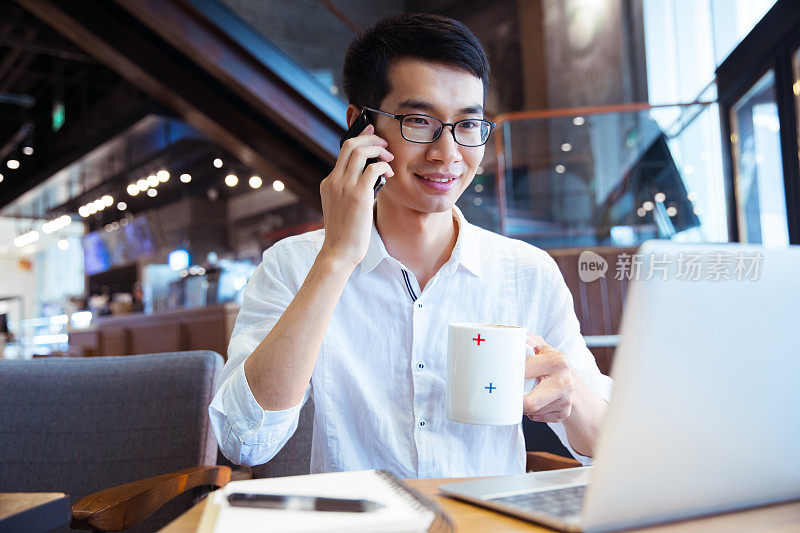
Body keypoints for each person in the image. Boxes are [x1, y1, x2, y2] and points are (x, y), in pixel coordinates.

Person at [209, 13, 612, 477]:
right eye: (419, 121)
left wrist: (571, 395)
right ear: (361, 125)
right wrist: (337, 257)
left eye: (467, 124)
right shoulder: (293, 265)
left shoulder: (526, 271)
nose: (448, 154)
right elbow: (245, 440)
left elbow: (608, 445)